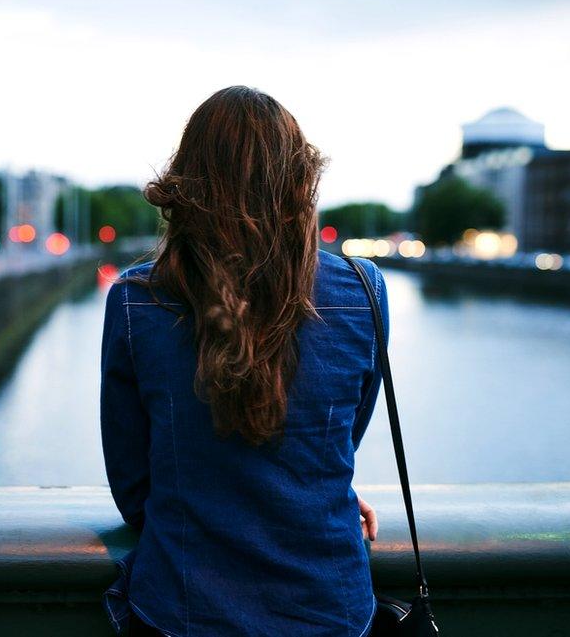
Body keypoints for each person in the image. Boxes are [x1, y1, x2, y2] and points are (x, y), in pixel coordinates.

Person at [100, 85, 387, 637]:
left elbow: (133, 486)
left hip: (184, 612)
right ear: (301, 182)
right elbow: (338, 438)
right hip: (329, 610)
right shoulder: (363, 289)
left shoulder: (138, 301)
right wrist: (315, 497)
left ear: (186, 184)